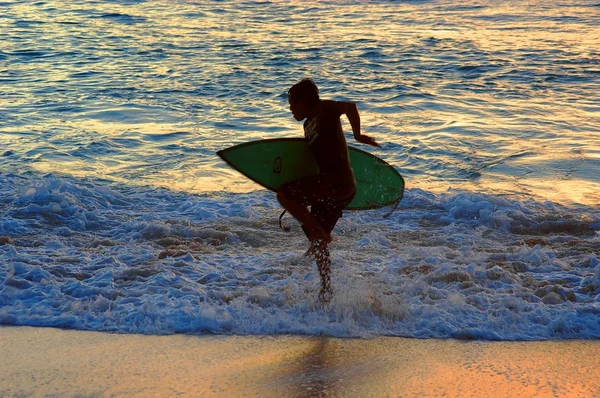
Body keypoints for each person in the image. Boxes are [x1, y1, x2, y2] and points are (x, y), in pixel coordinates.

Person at [277, 78, 380, 301]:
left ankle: (319, 231)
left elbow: (350, 106)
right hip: (337, 188)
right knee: (317, 240)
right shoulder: (308, 125)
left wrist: (357, 134)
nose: (291, 109)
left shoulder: (324, 109)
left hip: (335, 183)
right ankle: (326, 288)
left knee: (284, 195)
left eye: (292, 104)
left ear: (303, 102)